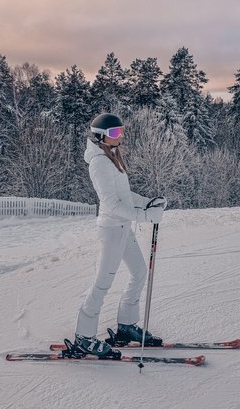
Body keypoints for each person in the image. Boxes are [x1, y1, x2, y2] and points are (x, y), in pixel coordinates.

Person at [74, 113, 167, 358]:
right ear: (100, 136)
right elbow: (112, 204)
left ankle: (126, 326)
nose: (120, 136)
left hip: (124, 228)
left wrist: (148, 203)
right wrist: (146, 217)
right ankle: (84, 336)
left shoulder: (111, 157)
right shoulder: (99, 163)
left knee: (139, 272)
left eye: (121, 131)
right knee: (102, 282)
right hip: (112, 229)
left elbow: (125, 196)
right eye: (115, 133)